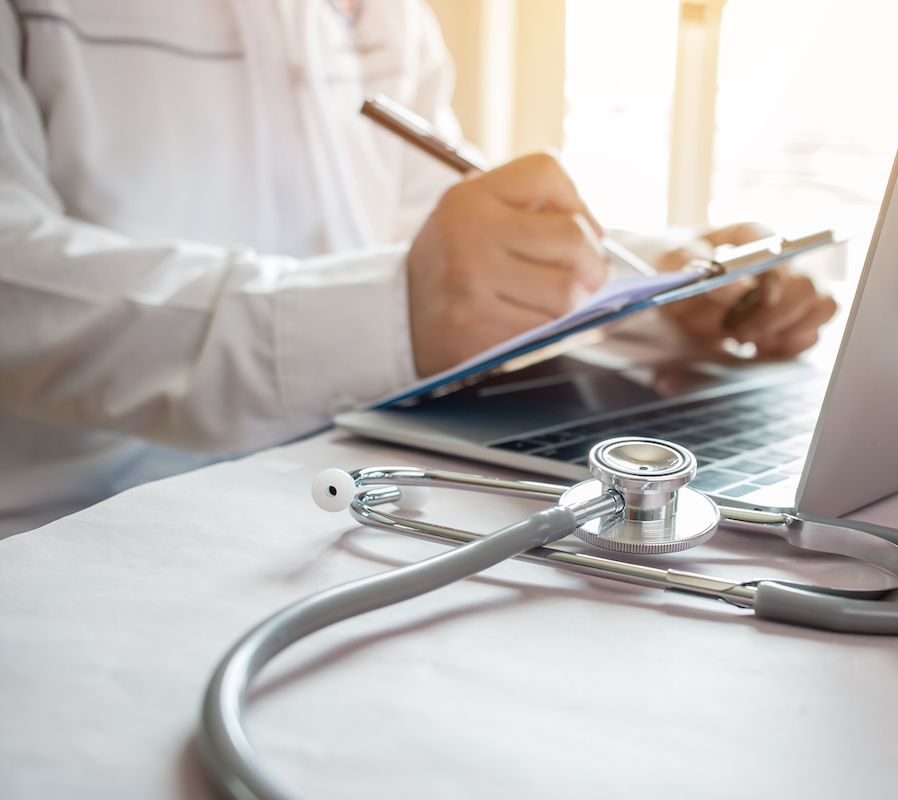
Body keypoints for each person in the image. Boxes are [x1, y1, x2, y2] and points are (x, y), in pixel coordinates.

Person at [0, 1, 836, 536]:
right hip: (77, 531)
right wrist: (390, 312)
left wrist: (671, 283)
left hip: (349, 488)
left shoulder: (388, 14)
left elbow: (433, 247)